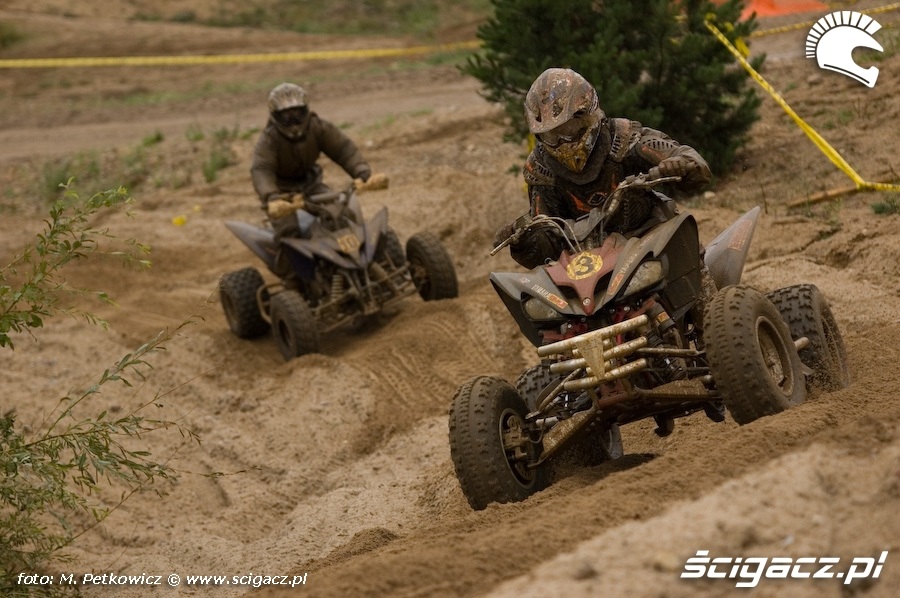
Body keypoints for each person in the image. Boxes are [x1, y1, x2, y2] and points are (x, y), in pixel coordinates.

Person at [496, 67, 712, 270]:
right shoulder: (540, 169)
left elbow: (691, 162)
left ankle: (705, 288)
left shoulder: (624, 137)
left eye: (568, 129)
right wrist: (523, 241)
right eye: (551, 135)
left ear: (587, 116)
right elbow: (545, 239)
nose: (562, 141)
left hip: (649, 236)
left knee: (689, 265)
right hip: (587, 262)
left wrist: (678, 165)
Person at [251, 82, 373, 244]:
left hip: (311, 184)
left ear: (305, 111)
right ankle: (290, 259)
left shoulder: (318, 127)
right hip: (282, 192)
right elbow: (262, 169)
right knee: (288, 232)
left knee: (342, 213)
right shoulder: (269, 139)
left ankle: (357, 251)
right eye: (286, 116)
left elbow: (343, 149)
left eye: (297, 114)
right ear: (276, 117)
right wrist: (271, 195)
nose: (293, 121)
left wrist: (361, 170)